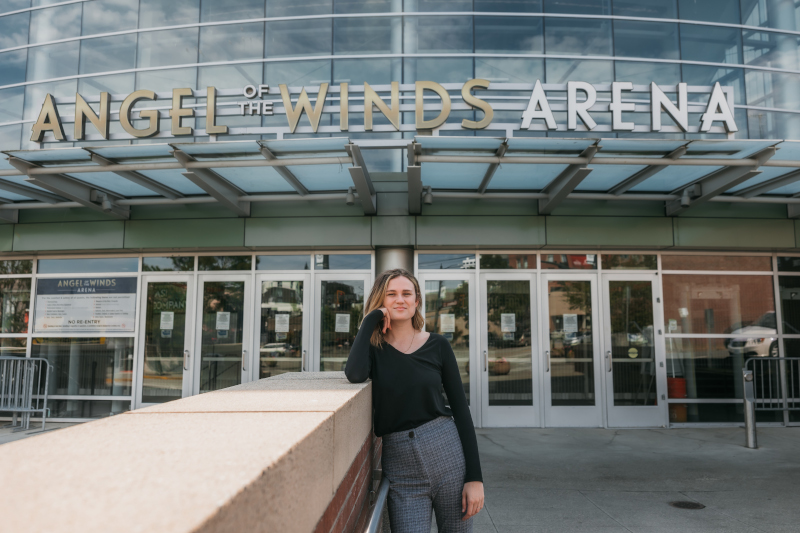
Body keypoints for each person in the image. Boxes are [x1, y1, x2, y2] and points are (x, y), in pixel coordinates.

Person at [345, 268, 484, 533]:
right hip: (401, 468)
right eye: (391, 295)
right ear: (381, 301)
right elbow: (354, 374)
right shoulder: (374, 350)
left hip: (447, 454)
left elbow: (461, 412)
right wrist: (371, 319)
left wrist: (475, 478)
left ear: (417, 301)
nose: (400, 300)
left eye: (407, 294)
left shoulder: (438, 345)